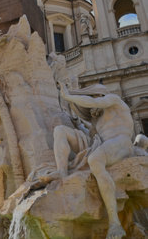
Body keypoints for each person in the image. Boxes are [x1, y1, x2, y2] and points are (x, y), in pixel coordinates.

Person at [54, 82, 134, 239]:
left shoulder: (113, 100)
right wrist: (78, 123)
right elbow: (91, 134)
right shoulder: (96, 120)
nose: (91, 111)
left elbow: (95, 103)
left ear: (98, 95)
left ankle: (114, 223)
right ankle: (61, 175)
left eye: (90, 103)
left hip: (121, 142)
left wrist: (69, 96)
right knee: (60, 130)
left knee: (95, 159)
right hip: (102, 145)